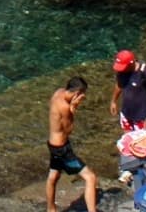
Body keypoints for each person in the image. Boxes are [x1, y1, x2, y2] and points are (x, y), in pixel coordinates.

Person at [47, 76, 98, 212]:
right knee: (90, 177)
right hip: (62, 149)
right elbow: (69, 129)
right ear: (77, 93)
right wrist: (73, 108)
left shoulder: (58, 93)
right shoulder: (65, 107)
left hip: (53, 145)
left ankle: (51, 209)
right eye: (82, 95)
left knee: (53, 176)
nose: (82, 98)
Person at [111, 49, 146, 131]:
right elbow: (119, 85)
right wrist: (113, 101)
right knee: (128, 136)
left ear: (131, 63)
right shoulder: (122, 72)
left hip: (142, 116)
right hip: (126, 113)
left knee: (142, 137)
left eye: (124, 67)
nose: (121, 70)